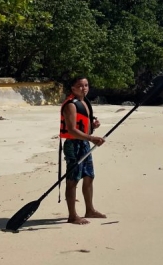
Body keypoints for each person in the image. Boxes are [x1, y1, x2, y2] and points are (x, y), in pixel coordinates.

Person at [59, 76, 106, 225]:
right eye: (80, 86)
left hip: (84, 143)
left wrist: (93, 127)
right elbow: (72, 130)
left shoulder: (85, 102)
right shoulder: (71, 105)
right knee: (73, 180)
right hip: (74, 145)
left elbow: (84, 126)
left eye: (86, 85)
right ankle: (72, 215)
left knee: (89, 176)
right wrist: (92, 138)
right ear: (72, 88)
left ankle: (90, 210)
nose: (83, 88)